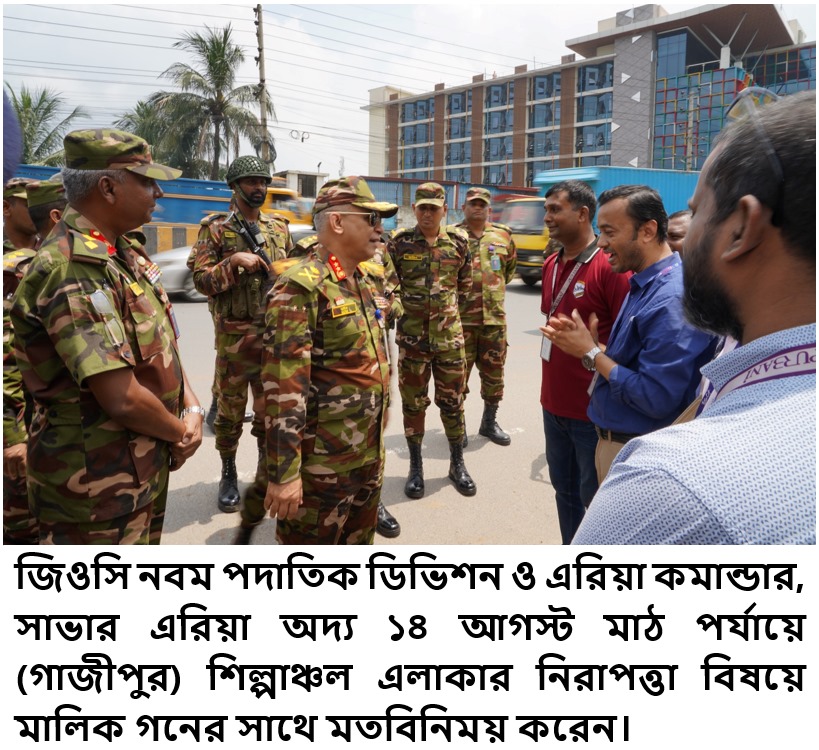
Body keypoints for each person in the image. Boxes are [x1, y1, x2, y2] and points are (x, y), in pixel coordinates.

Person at [573, 90, 815, 545]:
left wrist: (590, 354)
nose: (681, 233)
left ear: (741, 228)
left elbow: (657, 396)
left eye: (698, 210)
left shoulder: (669, 487)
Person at [10, 128, 204, 545]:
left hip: (138, 470)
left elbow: (162, 343)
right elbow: (120, 396)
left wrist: (192, 405)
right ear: (108, 188)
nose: (158, 193)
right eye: (148, 181)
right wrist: (179, 431)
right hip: (93, 490)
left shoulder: (123, 254)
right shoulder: (68, 268)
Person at [542, 184, 716, 486]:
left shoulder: (671, 299)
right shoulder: (645, 284)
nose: (602, 242)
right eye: (601, 232)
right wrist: (596, 349)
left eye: (610, 232)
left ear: (647, 231)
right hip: (617, 440)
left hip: (633, 449)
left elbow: (655, 397)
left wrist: (592, 354)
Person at [262, 176, 397, 544]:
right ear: (337, 222)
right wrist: (285, 474)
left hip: (367, 454)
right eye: (371, 218)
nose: (379, 230)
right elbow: (284, 388)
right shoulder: (300, 286)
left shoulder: (363, 280)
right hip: (321, 468)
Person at [188, 156, 293, 519]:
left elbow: (291, 274)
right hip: (234, 339)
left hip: (273, 337)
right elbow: (200, 281)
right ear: (234, 186)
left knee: (269, 413)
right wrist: (232, 264)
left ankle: (265, 471)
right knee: (230, 413)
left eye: (263, 181)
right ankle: (228, 472)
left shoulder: (280, 227)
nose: (259, 187)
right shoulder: (215, 229)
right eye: (251, 181)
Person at [287, 221, 404, 539]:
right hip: (330, 376)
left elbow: (394, 295)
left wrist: (385, 306)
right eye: (367, 218)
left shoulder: (378, 254)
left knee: (375, 430)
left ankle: (371, 501)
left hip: (374, 349)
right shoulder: (306, 256)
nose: (377, 228)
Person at [539, 180, 631, 544]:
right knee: (564, 494)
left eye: (554, 209)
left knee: (594, 505)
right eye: (546, 209)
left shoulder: (610, 268)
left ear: (582, 214)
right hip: (552, 405)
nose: (547, 217)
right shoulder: (550, 263)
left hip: (591, 414)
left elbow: (629, 342)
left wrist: (595, 348)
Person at [389, 183, 475, 498]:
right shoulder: (399, 244)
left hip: (450, 341)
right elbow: (389, 285)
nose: (427, 213)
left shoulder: (459, 243)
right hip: (412, 341)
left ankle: (457, 463)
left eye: (433, 208)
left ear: (443, 210)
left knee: (453, 404)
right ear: (415, 209)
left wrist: (445, 315)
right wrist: (398, 305)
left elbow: (464, 287)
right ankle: (416, 467)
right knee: (414, 405)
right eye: (422, 207)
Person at [3, 176, 68, 544]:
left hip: (49, 417)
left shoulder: (48, 260)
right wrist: (12, 434)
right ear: (7, 208)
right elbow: (5, 357)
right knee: (22, 524)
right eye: (25, 200)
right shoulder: (12, 268)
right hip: (21, 419)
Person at [455, 186, 517, 447]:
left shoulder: (503, 235)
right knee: (457, 378)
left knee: (494, 375)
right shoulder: (452, 236)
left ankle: (489, 423)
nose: (477, 207)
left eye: (482, 204)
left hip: (494, 321)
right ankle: (457, 427)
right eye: (472, 203)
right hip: (460, 321)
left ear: (489, 208)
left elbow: (509, 271)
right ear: (464, 207)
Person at [3, 177, 38, 252]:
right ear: (5, 208)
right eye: (31, 206)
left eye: (42, 206)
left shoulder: (55, 247)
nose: (40, 212)